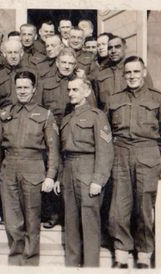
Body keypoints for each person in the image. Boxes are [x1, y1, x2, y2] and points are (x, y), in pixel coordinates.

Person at [106, 56, 161, 269]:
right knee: (119, 207)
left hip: (147, 154)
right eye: (128, 72)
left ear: (144, 73)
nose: (132, 76)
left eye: (136, 72)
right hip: (120, 154)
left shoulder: (158, 99)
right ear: (123, 74)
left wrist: (155, 151)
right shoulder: (114, 99)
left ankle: (143, 255)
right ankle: (121, 254)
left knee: (144, 207)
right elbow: (106, 131)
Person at [0, 71, 60, 265]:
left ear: (33, 89)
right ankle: (15, 262)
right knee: (13, 222)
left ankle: (30, 263)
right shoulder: (5, 114)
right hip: (9, 169)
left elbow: (53, 148)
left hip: (34, 168)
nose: (22, 91)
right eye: (19, 87)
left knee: (31, 220)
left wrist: (50, 175)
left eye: (26, 87)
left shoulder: (45, 115)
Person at [36, 47, 97, 229]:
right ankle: (53, 213)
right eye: (64, 62)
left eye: (71, 63)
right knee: (53, 169)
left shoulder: (80, 83)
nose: (67, 66)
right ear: (57, 63)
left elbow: (91, 106)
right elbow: (39, 107)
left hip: (73, 130)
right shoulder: (45, 82)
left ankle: (69, 214)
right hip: (52, 131)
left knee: (70, 172)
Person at [60, 77, 114, 267]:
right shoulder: (67, 118)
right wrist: (60, 177)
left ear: (87, 91)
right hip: (68, 171)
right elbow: (62, 151)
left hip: (88, 170)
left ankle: (91, 267)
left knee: (90, 224)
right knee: (71, 223)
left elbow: (105, 150)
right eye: (69, 90)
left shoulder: (97, 116)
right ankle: (72, 266)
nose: (71, 93)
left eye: (75, 90)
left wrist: (98, 179)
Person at [92, 35, 153, 110]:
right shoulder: (101, 74)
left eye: (117, 47)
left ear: (125, 48)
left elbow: (150, 96)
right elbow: (96, 103)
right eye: (110, 48)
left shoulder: (136, 70)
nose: (113, 51)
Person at [0, 39, 36, 111]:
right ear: (4, 54)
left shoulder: (32, 73)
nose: (13, 56)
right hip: (5, 116)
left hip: (27, 115)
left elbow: (37, 99)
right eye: (9, 53)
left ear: (21, 53)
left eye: (16, 52)